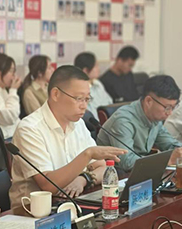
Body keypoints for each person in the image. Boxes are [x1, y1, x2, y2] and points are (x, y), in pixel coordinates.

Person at [9, 66, 126, 209]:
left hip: (72, 203)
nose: (84, 106)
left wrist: (84, 179)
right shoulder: (29, 129)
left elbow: (102, 168)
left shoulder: (78, 124)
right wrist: (87, 154)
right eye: (79, 99)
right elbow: (48, 185)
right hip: (33, 211)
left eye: (87, 99)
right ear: (56, 94)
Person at [97, 75, 182, 172]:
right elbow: (126, 161)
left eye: (173, 107)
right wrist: (167, 160)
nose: (170, 113)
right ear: (149, 101)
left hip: (141, 172)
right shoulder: (123, 121)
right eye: (167, 107)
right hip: (113, 176)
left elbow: (169, 144)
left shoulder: (154, 118)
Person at [74, 52, 113, 117]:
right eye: (96, 66)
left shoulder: (98, 83)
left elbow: (109, 103)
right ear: (85, 70)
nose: (98, 69)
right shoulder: (78, 90)